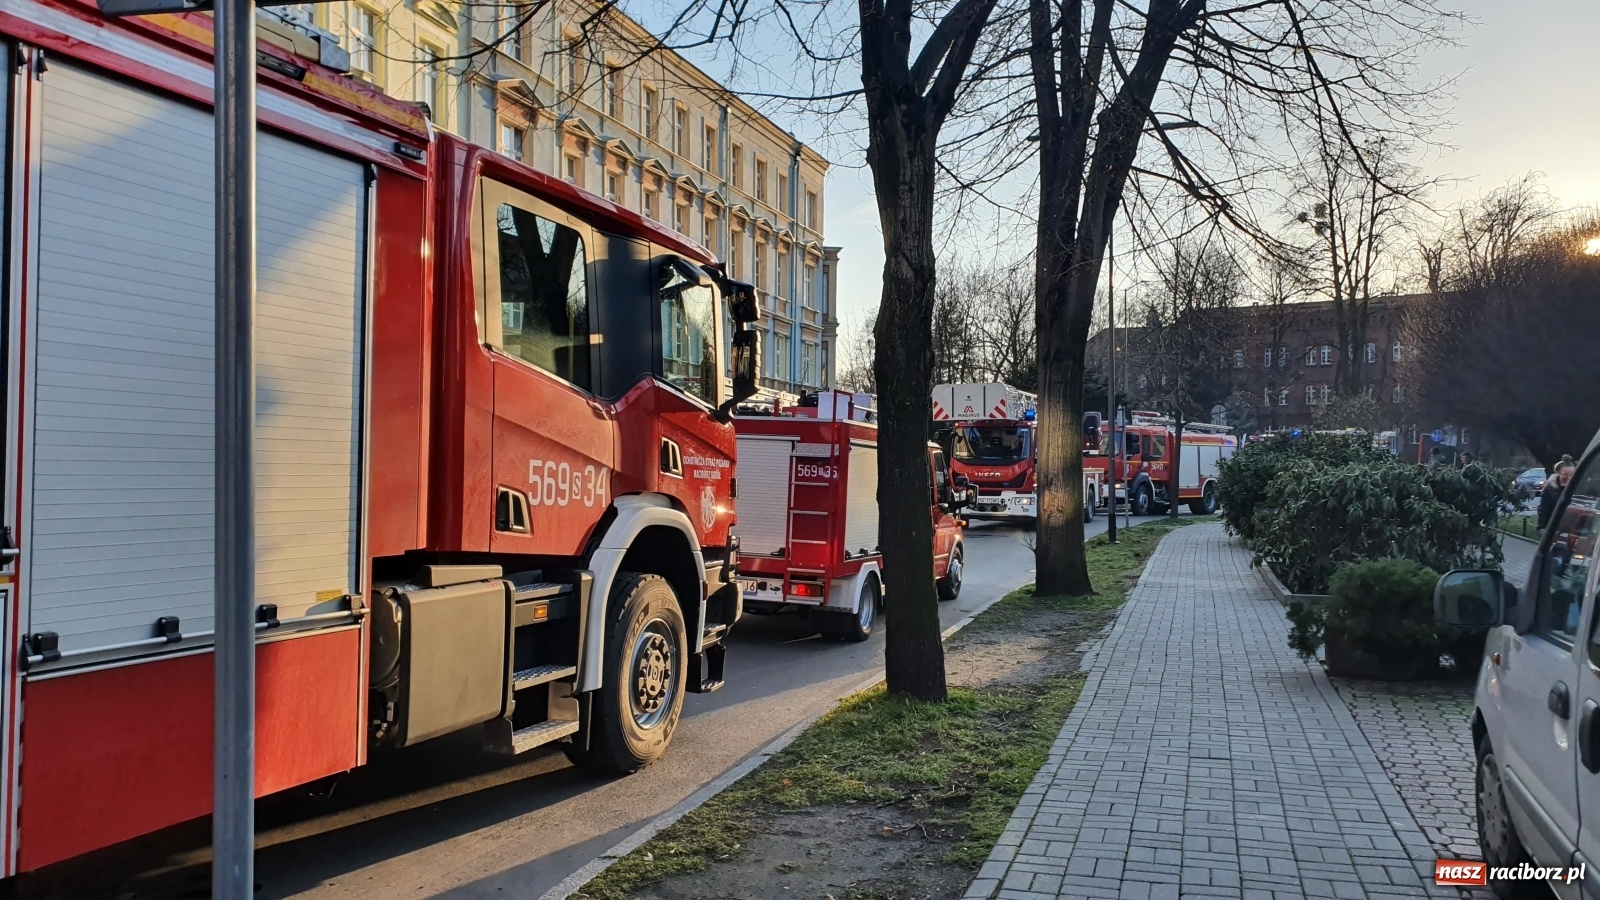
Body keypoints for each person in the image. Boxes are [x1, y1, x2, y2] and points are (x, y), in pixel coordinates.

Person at [1539, 462, 1576, 531]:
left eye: (1571, 475)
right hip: (1554, 527)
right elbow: (1544, 509)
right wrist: (1542, 527)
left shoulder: (1577, 487)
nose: (1568, 477)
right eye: (1565, 474)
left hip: (1573, 527)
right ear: (1558, 473)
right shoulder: (1550, 489)